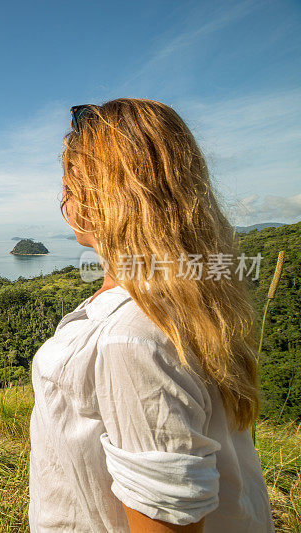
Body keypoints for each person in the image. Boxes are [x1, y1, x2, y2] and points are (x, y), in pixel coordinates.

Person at [28, 98, 274, 532]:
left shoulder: (132, 337)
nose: (62, 198)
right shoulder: (194, 299)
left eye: (70, 185)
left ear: (111, 196)